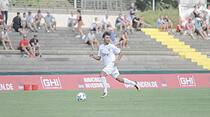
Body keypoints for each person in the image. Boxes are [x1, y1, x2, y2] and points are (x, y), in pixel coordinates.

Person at [89, 31, 140, 98]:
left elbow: (120, 53)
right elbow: (99, 58)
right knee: (120, 79)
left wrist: (117, 60)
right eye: (107, 37)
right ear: (103, 38)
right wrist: (93, 56)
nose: (108, 39)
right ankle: (134, 84)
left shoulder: (111, 46)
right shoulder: (101, 47)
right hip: (109, 66)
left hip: (112, 64)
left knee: (102, 74)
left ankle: (105, 92)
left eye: (109, 38)